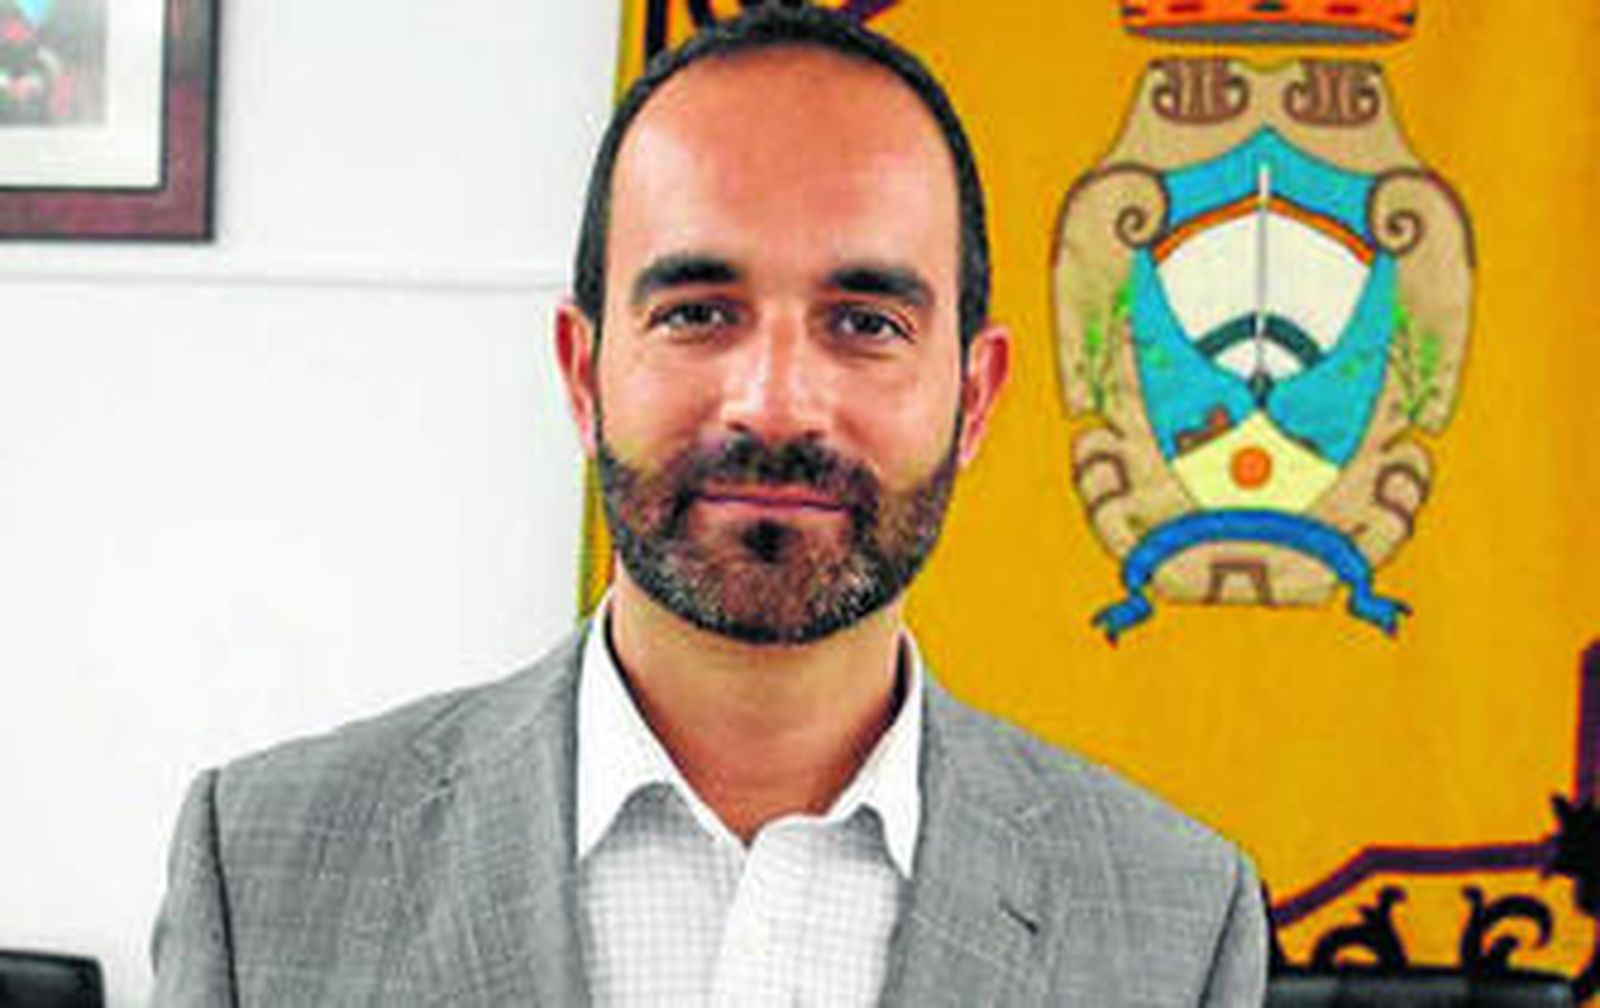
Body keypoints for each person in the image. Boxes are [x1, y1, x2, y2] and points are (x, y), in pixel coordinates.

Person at [151, 6, 1267, 1006]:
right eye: (696, 312)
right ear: (582, 372)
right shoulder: (263, 871)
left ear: (973, 398)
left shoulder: (1177, 926)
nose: (775, 404)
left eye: (866, 323)